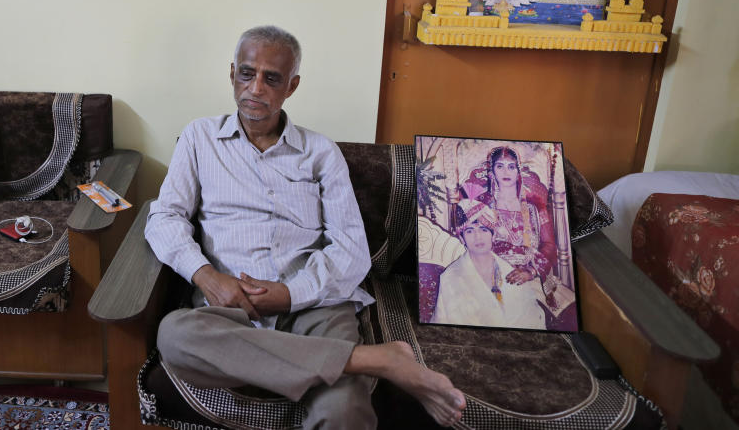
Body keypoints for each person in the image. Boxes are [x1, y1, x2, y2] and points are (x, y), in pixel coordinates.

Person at [145, 26, 466, 429]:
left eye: (272, 78)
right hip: (228, 309)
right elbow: (163, 216)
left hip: (314, 306)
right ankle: (373, 359)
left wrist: (289, 294)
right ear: (231, 74)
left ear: (292, 86)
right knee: (175, 335)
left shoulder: (320, 153)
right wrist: (206, 276)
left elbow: (351, 249)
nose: (256, 87)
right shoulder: (199, 138)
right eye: (247, 73)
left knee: (343, 411)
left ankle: (309, 360)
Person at [432, 201, 546, 330]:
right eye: (469, 231)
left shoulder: (511, 271)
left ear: (493, 236)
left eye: (484, 229)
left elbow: (533, 319)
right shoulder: (450, 278)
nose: (478, 237)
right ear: (462, 239)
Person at [471, 146, 557, 286]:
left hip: (529, 278)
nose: (506, 172)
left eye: (511, 167)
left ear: (518, 172)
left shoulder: (535, 206)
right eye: (500, 166)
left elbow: (549, 245)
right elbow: (471, 244)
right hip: (490, 277)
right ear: (492, 171)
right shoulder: (480, 206)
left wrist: (531, 271)